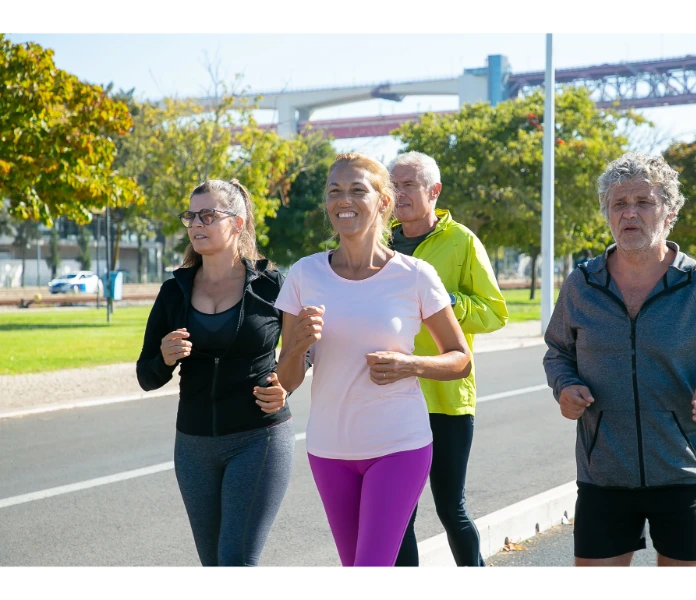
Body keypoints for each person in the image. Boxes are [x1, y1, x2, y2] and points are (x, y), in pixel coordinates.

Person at [542, 151, 696, 569]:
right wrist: (564, 386)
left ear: (670, 211)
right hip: (603, 472)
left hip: (682, 470)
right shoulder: (581, 285)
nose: (630, 213)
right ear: (606, 213)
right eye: (618, 204)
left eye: (643, 203)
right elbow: (558, 352)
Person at [274, 152, 473, 569]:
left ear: (383, 201)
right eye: (334, 191)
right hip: (329, 449)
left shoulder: (415, 275)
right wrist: (296, 347)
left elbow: (460, 359)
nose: (343, 200)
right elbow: (285, 381)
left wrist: (411, 365)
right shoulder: (304, 275)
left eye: (357, 190)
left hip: (399, 445)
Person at [136, 179, 295, 568]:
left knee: (236, 560)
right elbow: (147, 376)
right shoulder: (174, 291)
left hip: (259, 438)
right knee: (214, 563)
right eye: (191, 215)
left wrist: (284, 384)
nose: (196, 224)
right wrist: (165, 357)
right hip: (193, 447)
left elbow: (302, 351)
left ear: (238, 224)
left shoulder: (272, 286)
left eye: (208, 215)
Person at [387, 151, 509, 569]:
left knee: (449, 507)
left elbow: (495, 312)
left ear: (434, 191)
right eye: (393, 184)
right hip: (388, 397)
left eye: (407, 185)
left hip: (446, 397)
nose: (397, 193)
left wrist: (447, 303)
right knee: (399, 515)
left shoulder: (462, 242)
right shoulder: (378, 242)